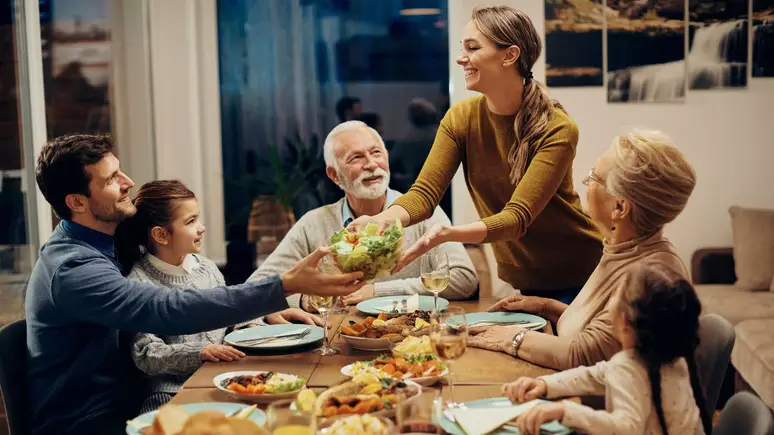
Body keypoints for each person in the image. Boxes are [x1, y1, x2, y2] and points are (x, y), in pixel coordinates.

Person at [25, 134, 364, 435]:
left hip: (130, 399)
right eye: (112, 179)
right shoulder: (73, 269)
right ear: (77, 202)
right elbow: (167, 308)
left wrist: (263, 313)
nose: (128, 182)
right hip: (89, 419)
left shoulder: (109, 244)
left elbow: (192, 292)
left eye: (120, 170)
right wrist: (283, 285)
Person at [348, 5, 603, 304]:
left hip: (583, 275)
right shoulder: (461, 118)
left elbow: (516, 218)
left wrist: (447, 234)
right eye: (462, 48)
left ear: (510, 55)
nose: (461, 58)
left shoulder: (558, 128)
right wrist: (384, 219)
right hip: (526, 278)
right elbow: (424, 195)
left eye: (473, 47)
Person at [467, 129, 696, 370]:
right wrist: (546, 307)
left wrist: (510, 338)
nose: (585, 184)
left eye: (594, 177)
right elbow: (604, 335)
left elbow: (584, 355)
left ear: (619, 208)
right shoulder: (625, 248)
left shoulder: (650, 277)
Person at [114, 180, 322, 413]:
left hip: (225, 377)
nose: (201, 227)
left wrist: (250, 325)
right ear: (161, 235)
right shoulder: (137, 283)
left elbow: (229, 313)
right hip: (172, 392)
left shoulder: (206, 268)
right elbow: (146, 354)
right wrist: (200, 352)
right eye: (191, 221)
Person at [249, 121, 478, 308]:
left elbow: (464, 279)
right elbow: (257, 288)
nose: (371, 164)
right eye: (356, 158)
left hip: (412, 336)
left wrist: (377, 291)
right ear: (334, 175)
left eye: (376, 153)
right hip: (339, 341)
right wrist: (303, 300)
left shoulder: (422, 213)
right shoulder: (314, 223)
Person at [502, 264, 711, 435]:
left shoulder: (629, 366)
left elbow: (625, 428)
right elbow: (596, 374)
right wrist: (544, 384)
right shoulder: (674, 359)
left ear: (625, 322)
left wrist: (565, 411)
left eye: (614, 296)